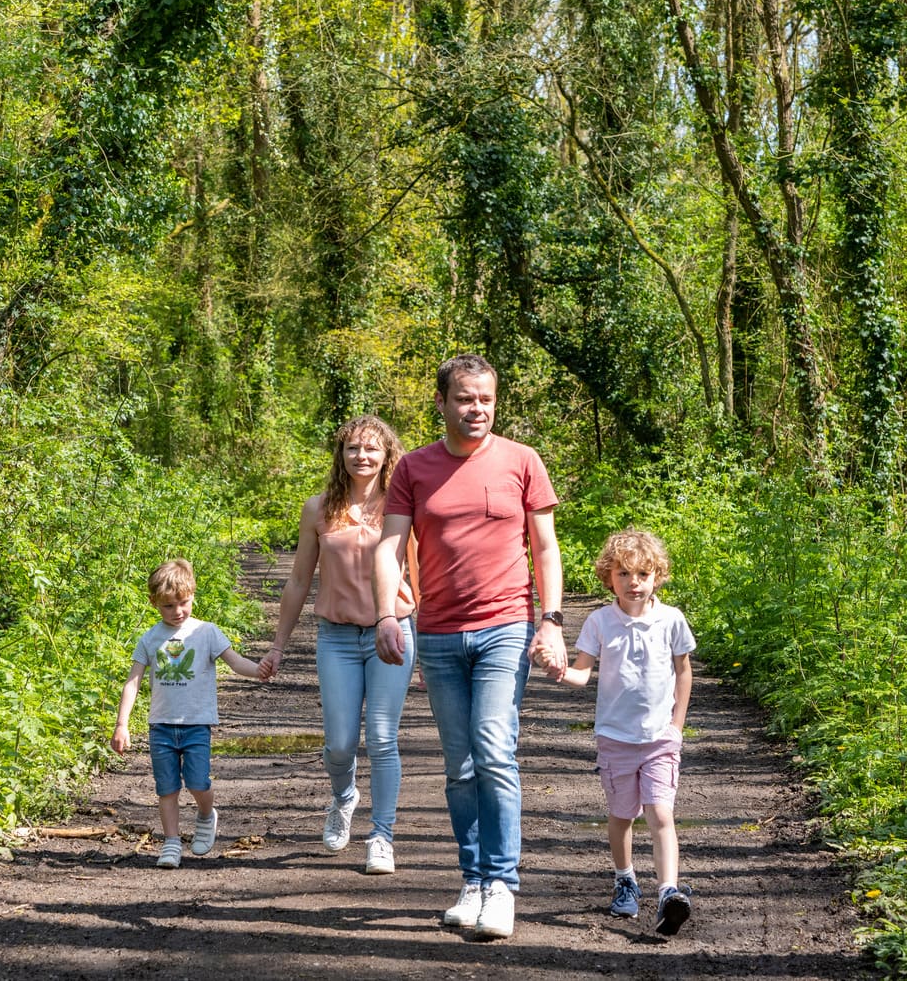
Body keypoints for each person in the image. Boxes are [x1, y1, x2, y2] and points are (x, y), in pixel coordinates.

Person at [371, 353, 567, 940]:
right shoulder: (414, 468)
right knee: (458, 767)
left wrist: (551, 621)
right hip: (435, 632)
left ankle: (503, 886)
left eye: (485, 399)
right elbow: (388, 547)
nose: (475, 408)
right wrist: (387, 613)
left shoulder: (521, 461)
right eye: (464, 399)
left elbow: (546, 546)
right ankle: (474, 880)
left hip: (506, 624)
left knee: (493, 748)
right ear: (442, 403)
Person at [258, 416, 417, 875]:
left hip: (394, 633)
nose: (362, 456)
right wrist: (278, 646)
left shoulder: (402, 506)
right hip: (337, 638)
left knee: (384, 737)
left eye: (371, 449)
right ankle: (344, 796)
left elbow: (421, 576)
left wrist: (425, 643)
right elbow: (297, 580)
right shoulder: (319, 509)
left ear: (388, 454)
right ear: (340, 455)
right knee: (340, 745)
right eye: (352, 448)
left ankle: (382, 836)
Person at [547, 529, 695, 936]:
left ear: (657, 576)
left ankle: (668, 891)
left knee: (661, 813)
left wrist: (677, 726)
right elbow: (581, 673)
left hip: (660, 740)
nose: (634, 582)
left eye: (643, 574)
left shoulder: (672, 620)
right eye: (624, 573)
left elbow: (684, 673)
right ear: (608, 577)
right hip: (615, 738)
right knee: (622, 816)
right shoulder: (599, 622)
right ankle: (625, 878)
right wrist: (560, 671)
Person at [113, 559, 262, 868]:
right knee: (166, 787)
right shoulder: (150, 638)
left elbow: (234, 662)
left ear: (193, 594)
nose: (177, 611)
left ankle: (206, 814)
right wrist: (121, 724)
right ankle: (171, 842)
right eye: (168, 605)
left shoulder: (206, 632)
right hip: (161, 726)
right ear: (154, 602)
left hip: (196, 724)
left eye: (183, 602)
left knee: (197, 782)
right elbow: (133, 681)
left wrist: (259, 670)